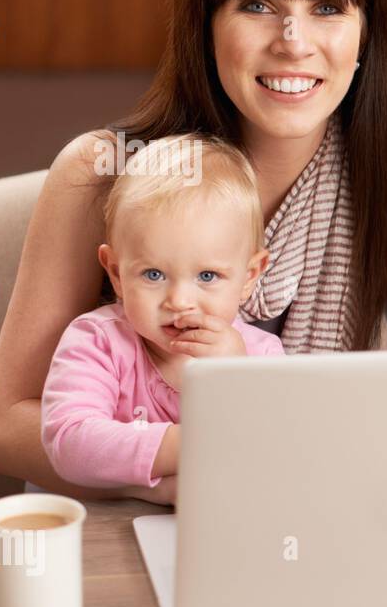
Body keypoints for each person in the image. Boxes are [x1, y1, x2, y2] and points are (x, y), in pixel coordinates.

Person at [0, 0, 387, 506]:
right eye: (258, 5)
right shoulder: (100, 172)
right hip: (124, 526)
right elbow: (9, 430)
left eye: (327, 8)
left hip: (318, 516)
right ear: (205, 22)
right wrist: (183, 482)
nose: (293, 43)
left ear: (366, 35)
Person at [42, 136, 285, 490]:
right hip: (104, 526)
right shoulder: (98, 342)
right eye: (153, 274)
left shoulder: (262, 355)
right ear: (116, 273)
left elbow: (281, 450)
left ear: (249, 276)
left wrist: (236, 378)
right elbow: (69, 442)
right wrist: (194, 444)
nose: (180, 301)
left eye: (207, 276)